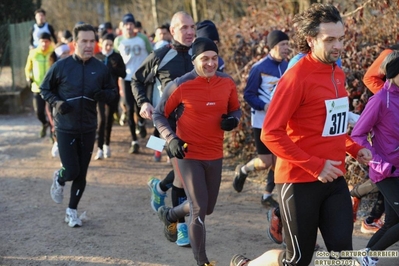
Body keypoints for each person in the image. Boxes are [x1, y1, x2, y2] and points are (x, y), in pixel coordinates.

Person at [230, 4, 372, 266]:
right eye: (330, 40)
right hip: (299, 181)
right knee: (296, 260)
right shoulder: (295, 77)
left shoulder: (337, 73)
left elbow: (333, 125)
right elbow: (270, 134)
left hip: (335, 180)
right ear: (310, 39)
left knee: (343, 257)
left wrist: (353, 148)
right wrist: (315, 166)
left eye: (341, 38)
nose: (338, 45)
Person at [153, 37, 241, 266]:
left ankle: (170, 214)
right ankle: (202, 261)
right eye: (205, 59)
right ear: (194, 61)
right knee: (199, 208)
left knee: (207, 207)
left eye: (214, 58)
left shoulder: (227, 83)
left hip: (215, 154)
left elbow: (236, 110)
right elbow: (159, 114)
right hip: (188, 153)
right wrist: (170, 139)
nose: (211, 63)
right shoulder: (180, 84)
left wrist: (233, 121)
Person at [40, 23, 117, 228]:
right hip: (65, 126)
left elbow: (113, 93)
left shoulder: (100, 68)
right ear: (75, 43)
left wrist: (105, 95)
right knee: (72, 170)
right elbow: (44, 89)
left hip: (89, 126)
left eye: (92, 41)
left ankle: (71, 211)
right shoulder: (61, 66)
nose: (89, 45)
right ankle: (60, 177)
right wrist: (57, 103)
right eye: (84, 41)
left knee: (82, 173)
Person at [132, 11, 195, 246]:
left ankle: (158, 187)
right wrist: (144, 102)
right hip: (171, 126)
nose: (189, 32)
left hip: (198, 126)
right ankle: (181, 228)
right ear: (172, 31)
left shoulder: (200, 53)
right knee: (182, 177)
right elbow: (137, 80)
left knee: (188, 172)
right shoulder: (162, 54)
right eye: (183, 28)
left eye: (192, 27)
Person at [350, 50, 399, 266]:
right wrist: (378, 162)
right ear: (394, 73)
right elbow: (357, 134)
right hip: (385, 171)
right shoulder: (380, 100)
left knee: (393, 223)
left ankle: (365, 256)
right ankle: (368, 256)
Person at [232, 30, 289, 208]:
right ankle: (243, 170)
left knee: (280, 158)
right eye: (283, 44)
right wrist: (264, 106)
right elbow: (248, 95)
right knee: (266, 162)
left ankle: (267, 195)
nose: (287, 48)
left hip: (282, 121)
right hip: (262, 120)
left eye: (288, 44)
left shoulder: (289, 66)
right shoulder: (259, 68)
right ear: (272, 47)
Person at [114, 13, 153, 154]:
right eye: (126, 24)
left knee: (140, 107)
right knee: (129, 109)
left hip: (142, 78)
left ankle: (142, 124)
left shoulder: (142, 38)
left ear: (134, 26)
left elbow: (151, 54)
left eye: (131, 24)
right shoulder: (118, 41)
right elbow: (115, 59)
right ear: (122, 26)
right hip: (126, 78)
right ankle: (134, 141)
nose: (129, 27)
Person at [94, 33, 126, 160]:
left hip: (112, 92)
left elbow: (123, 73)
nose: (108, 47)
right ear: (101, 44)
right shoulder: (97, 57)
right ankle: (99, 148)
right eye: (106, 44)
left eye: (110, 45)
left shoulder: (117, 57)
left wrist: (114, 68)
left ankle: (107, 144)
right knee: (101, 120)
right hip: (99, 93)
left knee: (108, 120)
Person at [25, 32, 54, 138]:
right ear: (38, 42)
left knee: (51, 112)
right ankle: (44, 123)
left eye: (46, 41)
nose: (44, 44)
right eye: (42, 41)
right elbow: (28, 68)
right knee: (39, 112)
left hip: (51, 88)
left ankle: (53, 134)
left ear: (50, 42)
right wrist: (28, 77)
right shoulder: (33, 53)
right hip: (37, 87)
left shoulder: (53, 53)